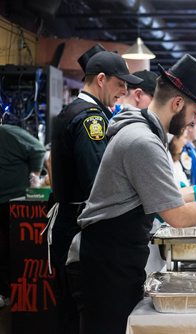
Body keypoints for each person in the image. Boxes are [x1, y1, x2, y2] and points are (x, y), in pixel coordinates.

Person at [67, 54, 196, 334]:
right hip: (104, 261)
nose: (192, 123)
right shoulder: (143, 141)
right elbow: (176, 216)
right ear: (177, 103)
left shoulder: (145, 132)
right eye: (194, 113)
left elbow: (162, 196)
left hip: (116, 256)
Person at [50, 50, 142, 334]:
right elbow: (98, 183)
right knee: (86, 316)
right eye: (120, 83)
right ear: (101, 79)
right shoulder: (91, 119)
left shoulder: (72, 111)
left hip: (68, 223)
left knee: (71, 313)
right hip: (81, 229)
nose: (124, 91)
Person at [0, 124, 46, 308]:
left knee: (14, 251)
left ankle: (13, 295)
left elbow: (38, 149)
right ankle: (6, 293)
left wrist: (34, 175)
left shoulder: (8, 133)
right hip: (5, 201)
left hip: (15, 202)